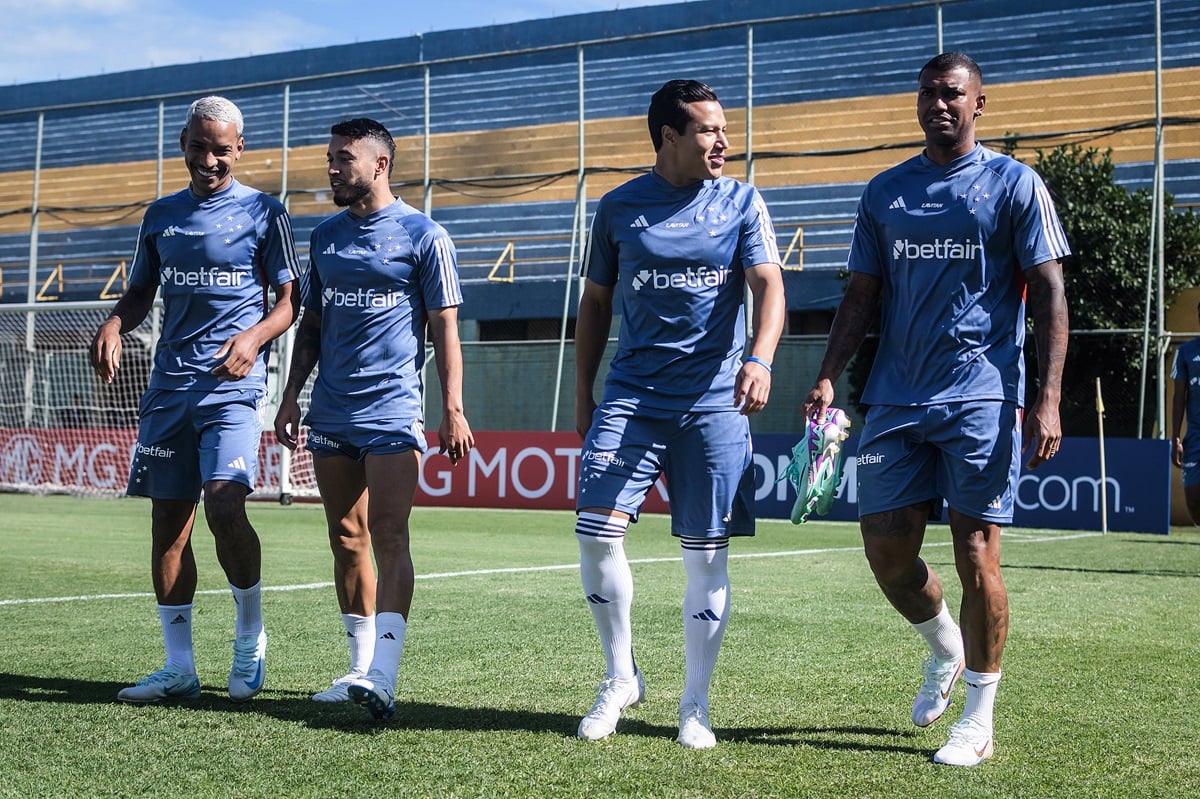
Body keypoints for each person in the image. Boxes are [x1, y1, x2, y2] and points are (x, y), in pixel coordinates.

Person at [803, 52, 1070, 766]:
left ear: (979, 103)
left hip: (983, 390)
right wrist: (828, 375)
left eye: (952, 93)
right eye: (927, 93)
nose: (938, 103)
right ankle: (945, 645)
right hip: (894, 394)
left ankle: (977, 718)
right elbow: (861, 293)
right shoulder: (886, 191)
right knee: (886, 547)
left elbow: (1048, 292)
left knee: (977, 549)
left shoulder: (1015, 184)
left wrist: (1047, 397)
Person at [573, 79, 785, 750]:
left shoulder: (743, 200)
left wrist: (762, 358)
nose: (722, 140)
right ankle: (620, 676)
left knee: (706, 559)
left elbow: (770, 284)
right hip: (632, 397)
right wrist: (583, 394)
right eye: (707, 130)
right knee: (596, 534)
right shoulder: (616, 208)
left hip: (715, 402)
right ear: (668, 136)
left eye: (724, 128)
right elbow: (596, 306)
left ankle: (695, 704)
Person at [90, 95, 300, 704]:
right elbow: (139, 294)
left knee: (225, 506)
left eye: (222, 149)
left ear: (240, 149)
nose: (210, 159)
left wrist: (255, 337)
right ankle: (179, 668)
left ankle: (249, 635)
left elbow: (290, 300)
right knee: (167, 524)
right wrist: (112, 324)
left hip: (232, 388)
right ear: (184, 141)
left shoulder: (265, 212)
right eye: (200, 146)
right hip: (168, 388)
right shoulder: (159, 216)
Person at [274, 117, 473, 719]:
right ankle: (359, 667)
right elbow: (311, 327)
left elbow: (445, 330)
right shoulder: (325, 237)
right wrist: (290, 397)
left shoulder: (424, 235)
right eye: (330, 157)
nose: (332, 168)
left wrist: (453, 409)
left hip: (392, 407)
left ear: (380, 164)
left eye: (344, 159)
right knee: (345, 536)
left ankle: (384, 673)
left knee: (389, 532)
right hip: (331, 410)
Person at [1170, 302, 1200, 525]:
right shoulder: (1186, 351)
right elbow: (1178, 397)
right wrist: (1175, 438)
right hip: (1195, 438)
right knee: (1193, 502)